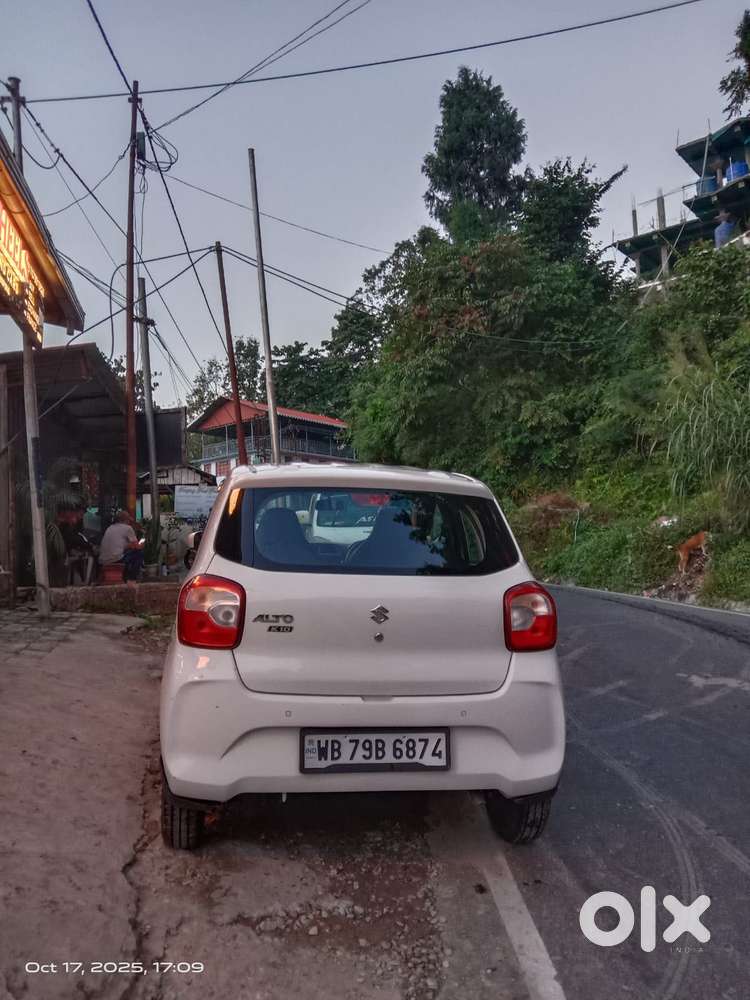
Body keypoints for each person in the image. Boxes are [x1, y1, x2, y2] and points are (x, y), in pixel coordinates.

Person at [99, 511, 144, 582]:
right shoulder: (128, 528)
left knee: (128, 553)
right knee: (139, 553)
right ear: (127, 519)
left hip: (103, 560)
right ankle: (132, 578)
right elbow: (137, 546)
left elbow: (120, 545)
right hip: (116, 559)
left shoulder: (110, 528)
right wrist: (142, 543)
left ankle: (126, 577)